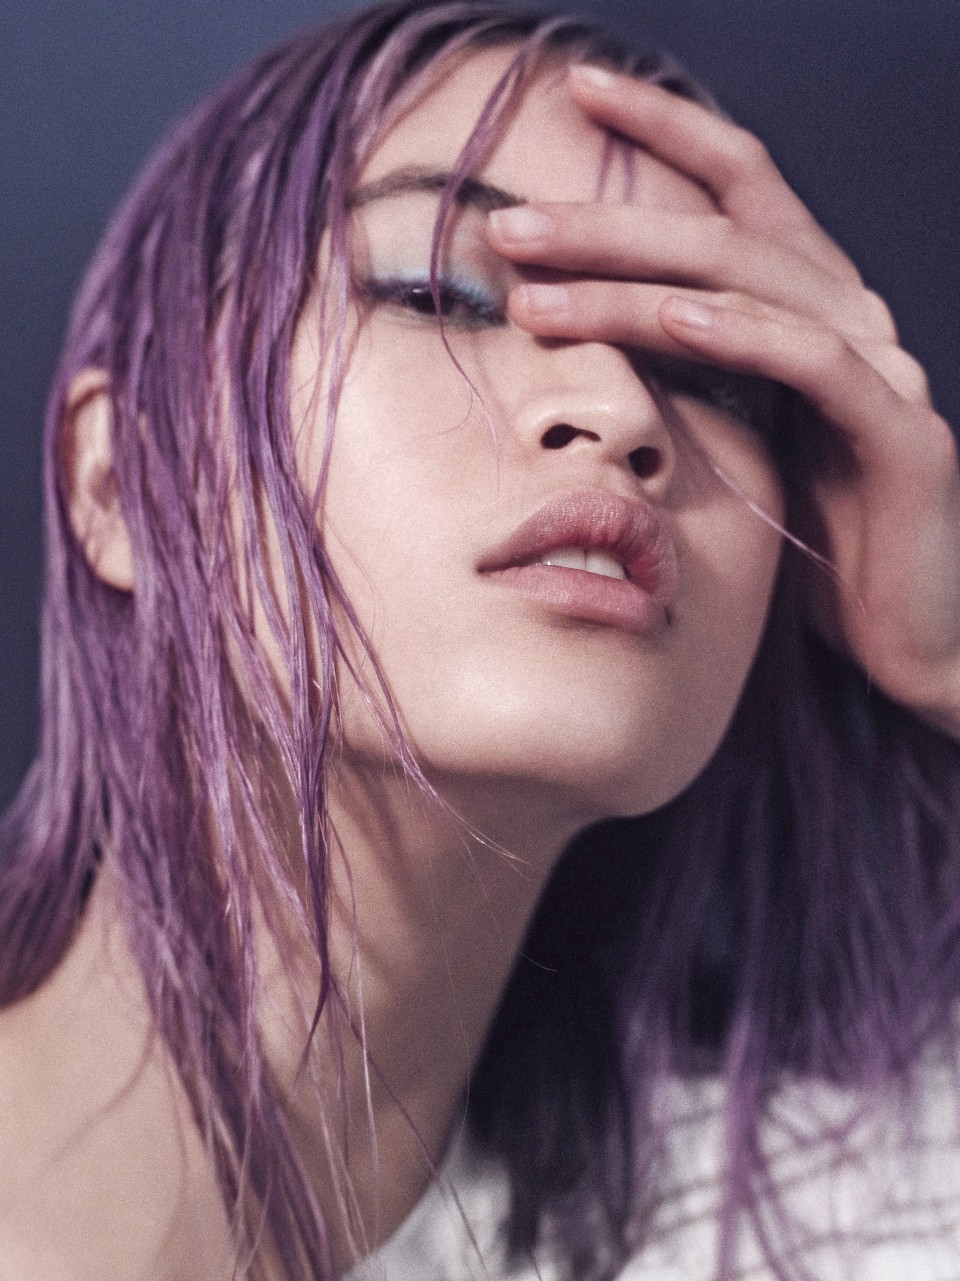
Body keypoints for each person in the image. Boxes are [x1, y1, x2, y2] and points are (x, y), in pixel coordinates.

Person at [2, 2, 959, 1278]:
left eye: (711, 373)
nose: (619, 409)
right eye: (439, 294)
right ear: (120, 483)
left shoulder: (839, 1218)